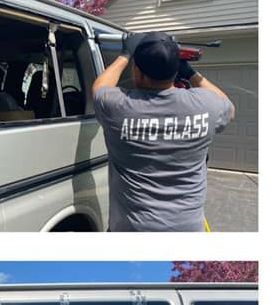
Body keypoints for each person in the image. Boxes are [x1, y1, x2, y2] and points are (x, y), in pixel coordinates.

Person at [92, 32, 236, 231]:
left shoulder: (117, 106)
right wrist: (190, 72)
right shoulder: (207, 105)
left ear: (137, 72)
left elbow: (100, 86)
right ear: (175, 71)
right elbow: (229, 107)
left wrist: (125, 54)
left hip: (133, 228)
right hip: (188, 228)